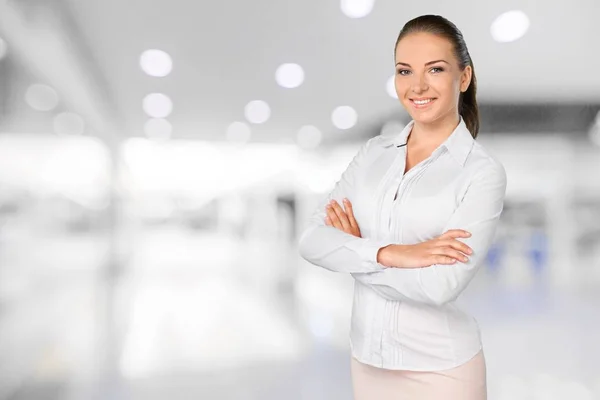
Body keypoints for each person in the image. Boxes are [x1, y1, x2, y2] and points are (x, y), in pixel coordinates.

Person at [298, 14, 507, 400]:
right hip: (367, 360)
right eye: (405, 70)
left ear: (463, 78)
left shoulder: (481, 173)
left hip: (443, 370)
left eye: (436, 69)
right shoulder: (372, 155)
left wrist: (353, 254)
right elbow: (311, 240)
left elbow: (439, 286)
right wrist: (394, 253)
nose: (418, 86)